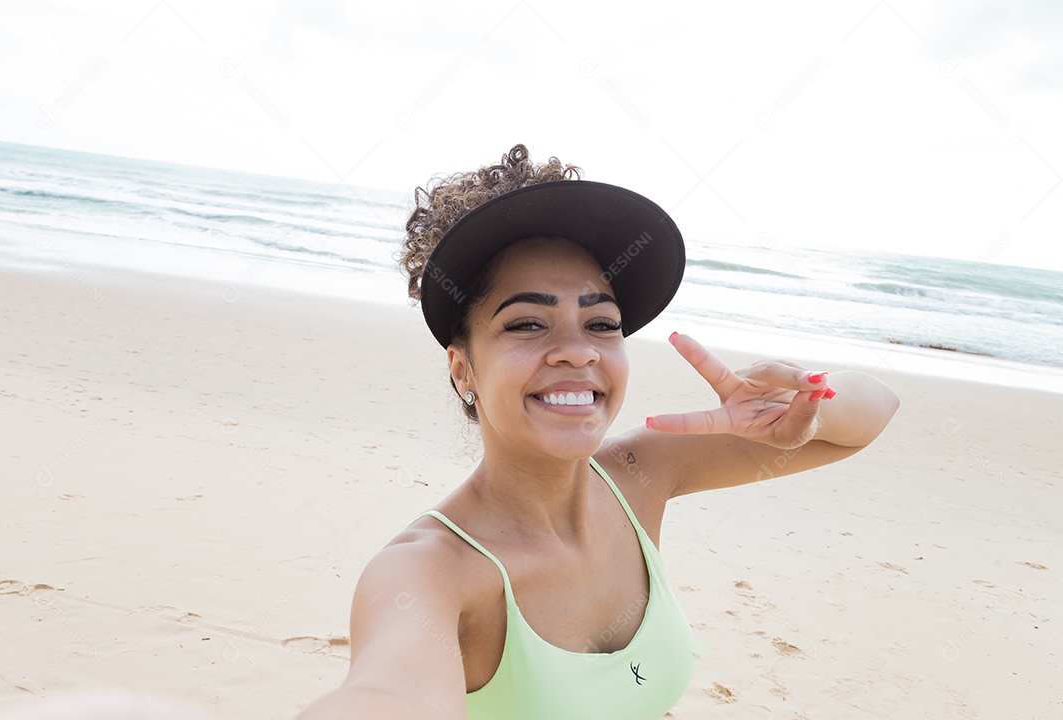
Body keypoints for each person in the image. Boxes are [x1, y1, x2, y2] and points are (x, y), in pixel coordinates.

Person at [298, 144, 900, 719]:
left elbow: (875, 408)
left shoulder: (641, 473)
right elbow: (385, 697)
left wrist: (803, 415)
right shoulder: (429, 571)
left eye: (601, 322)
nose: (576, 352)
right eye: (529, 323)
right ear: (464, 370)